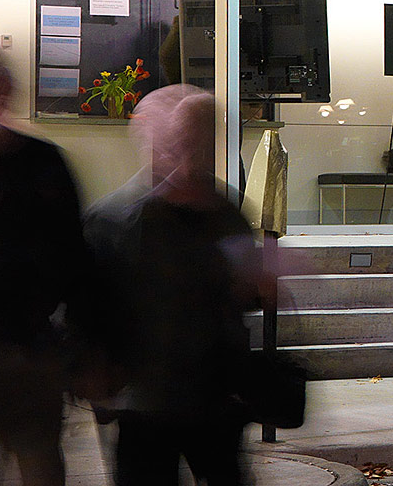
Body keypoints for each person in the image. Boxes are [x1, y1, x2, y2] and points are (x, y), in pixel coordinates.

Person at [86, 85, 275, 486]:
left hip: (210, 398)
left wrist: (257, 286)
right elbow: (92, 303)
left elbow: (239, 296)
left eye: (205, 139)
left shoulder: (224, 212)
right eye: (185, 139)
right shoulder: (121, 217)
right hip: (148, 400)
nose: (192, 151)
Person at [0, 45, 106, 486]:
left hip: (27, 346)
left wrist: (88, 345)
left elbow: (73, 259)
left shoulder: (42, 162)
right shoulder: (37, 162)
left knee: (37, 456)